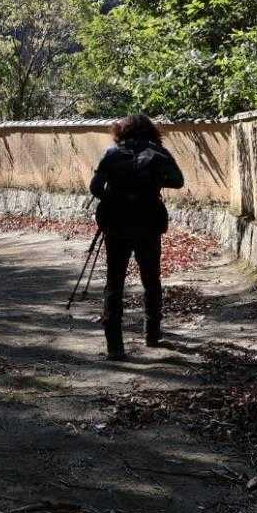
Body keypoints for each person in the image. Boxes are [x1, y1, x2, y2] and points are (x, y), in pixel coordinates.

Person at [88, 113, 184, 360]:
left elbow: (95, 187)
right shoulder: (158, 153)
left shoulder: (112, 154)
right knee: (151, 279)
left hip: (116, 224)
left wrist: (115, 197)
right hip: (148, 223)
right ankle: (152, 334)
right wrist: (153, 182)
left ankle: (115, 346)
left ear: (122, 131)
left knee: (114, 282)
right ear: (150, 131)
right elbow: (177, 181)